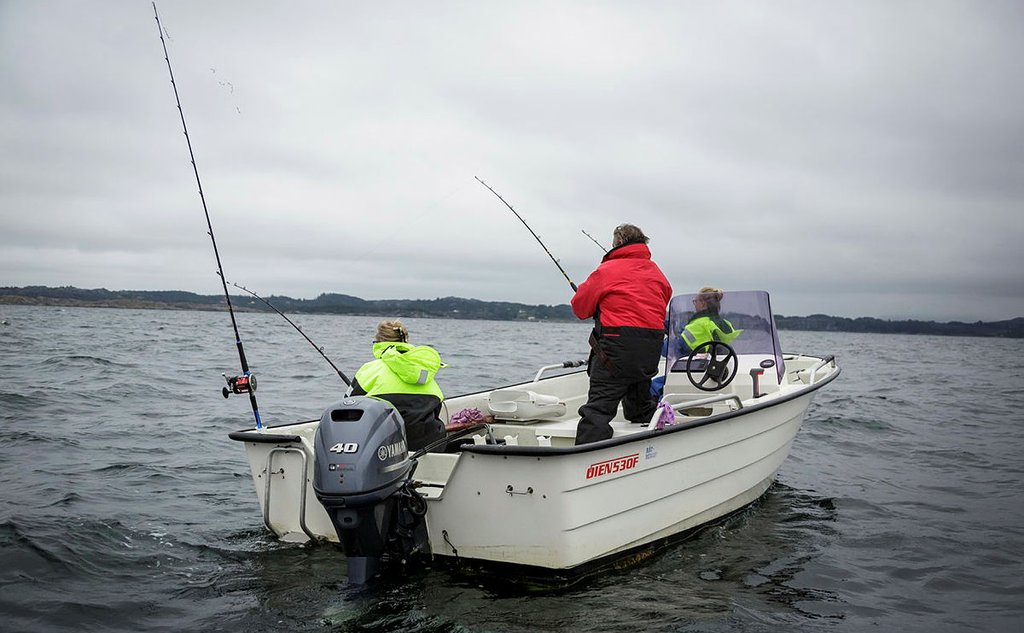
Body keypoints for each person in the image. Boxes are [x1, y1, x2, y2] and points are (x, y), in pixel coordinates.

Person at [570, 224, 672, 445]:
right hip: (649, 351)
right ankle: (650, 446)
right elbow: (663, 300)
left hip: (614, 353)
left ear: (617, 243)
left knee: (598, 410)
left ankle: (587, 461)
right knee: (641, 405)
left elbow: (580, 309)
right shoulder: (657, 274)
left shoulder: (605, 271)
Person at [346, 319, 447, 452]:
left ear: (379, 342)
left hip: (384, 447)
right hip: (430, 445)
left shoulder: (369, 369)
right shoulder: (424, 371)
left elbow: (347, 405)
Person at [680, 287, 742, 353]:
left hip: (701, 362)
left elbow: (679, 344)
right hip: (723, 361)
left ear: (703, 303)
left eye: (695, 301)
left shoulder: (697, 324)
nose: (694, 305)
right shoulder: (726, 323)